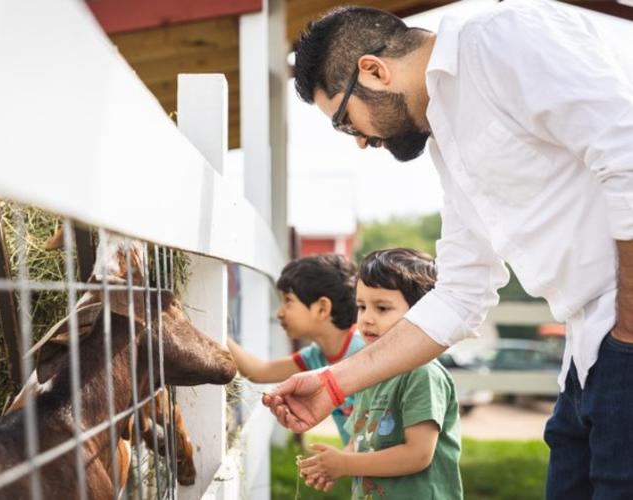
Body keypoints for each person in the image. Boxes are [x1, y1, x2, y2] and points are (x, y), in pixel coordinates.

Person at [263, 1, 633, 498]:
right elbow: (460, 296)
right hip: (588, 349)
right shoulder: (447, 145)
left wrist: (629, 328)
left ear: (372, 70)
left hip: (622, 334)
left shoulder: (502, 38)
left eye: (347, 123)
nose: (360, 143)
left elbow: (627, 154)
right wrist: (333, 384)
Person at [299, 249, 462, 499]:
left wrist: (345, 464)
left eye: (382, 308)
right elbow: (360, 439)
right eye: (362, 307)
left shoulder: (422, 373)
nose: (366, 319)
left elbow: (418, 455)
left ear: (421, 316)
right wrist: (333, 464)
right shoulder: (368, 372)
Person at [228, 253, 364, 443]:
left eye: (288, 300)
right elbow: (259, 372)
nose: (280, 313)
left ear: (321, 308)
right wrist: (217, 329)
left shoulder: (364, 351)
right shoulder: (315, 356)